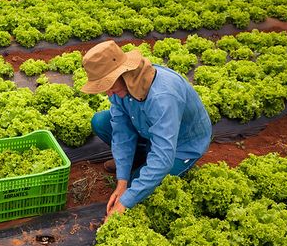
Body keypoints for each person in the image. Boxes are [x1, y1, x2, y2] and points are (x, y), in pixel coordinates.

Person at [80, 40, 212, 219]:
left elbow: (163, 157)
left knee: (137, 190)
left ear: (123, 73)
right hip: (150, 132)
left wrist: (126, 200)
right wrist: (122, 180)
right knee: (101, 122)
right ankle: (138, 160)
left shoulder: (163, 97)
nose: (108, 93)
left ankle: (146, 165)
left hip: (181, 146)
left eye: (108, 85)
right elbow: (121, 132)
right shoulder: (121, 88)